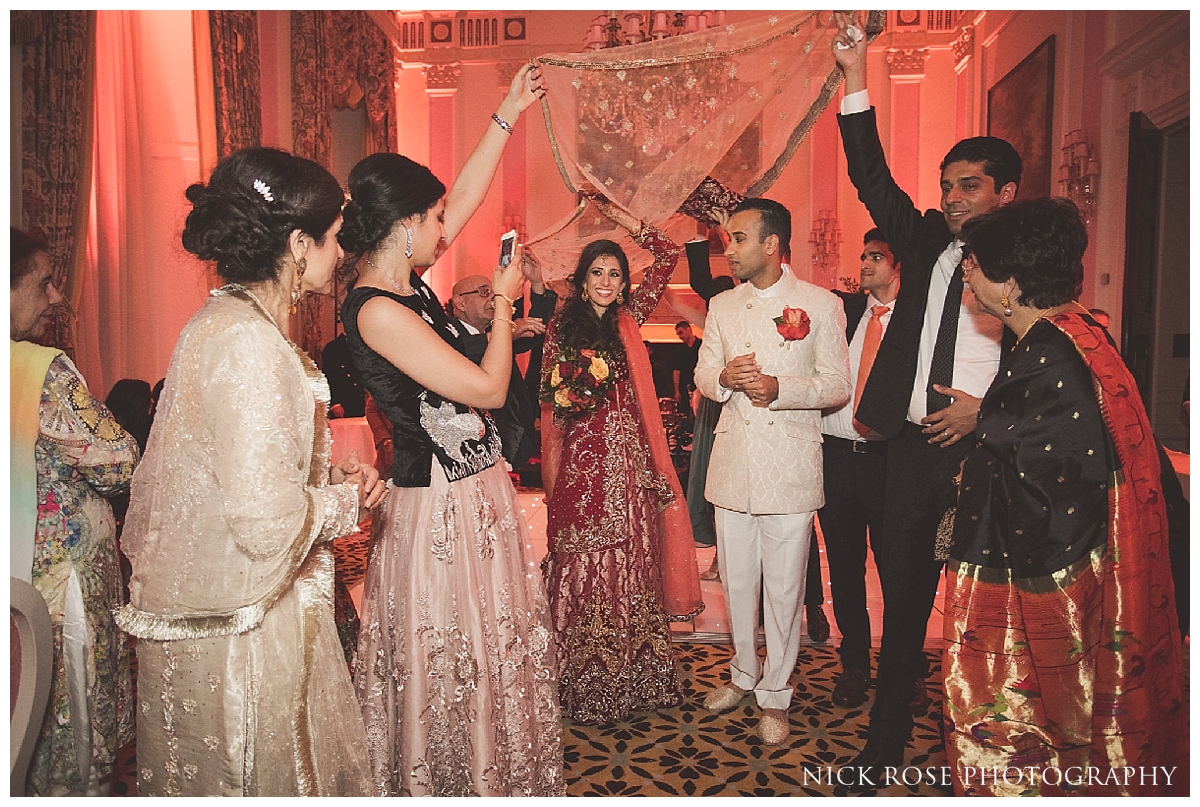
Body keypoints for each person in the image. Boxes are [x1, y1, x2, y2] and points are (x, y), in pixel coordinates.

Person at [115, 147, 386, 796]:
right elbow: (265, 525)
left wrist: (319, 482)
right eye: (330, 237)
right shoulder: (248, 342)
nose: (340, 251)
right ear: (297, 244)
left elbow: (242, 472)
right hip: (244, 630)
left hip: (230, 613)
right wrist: (346, 499)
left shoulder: (224, 320)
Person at [340, 61, 564, 798]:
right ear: (405, 226)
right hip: (434, 505)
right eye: (435, 221)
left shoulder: (407, 280)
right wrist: (503, 302)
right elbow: (490, 386)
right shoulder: (377, 309)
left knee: (486, 646)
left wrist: (508, 110)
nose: (448, 228)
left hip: (472, 489)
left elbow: (461, 193)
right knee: (452, 650)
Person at [944, 197, 1188, 795]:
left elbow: (1050, 475)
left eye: (974, 265)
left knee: (1035, 717)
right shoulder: (1076, 329)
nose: (966, 276)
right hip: (1110, 555)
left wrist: (983, 448)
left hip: (1059, 574)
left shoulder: (1049, 353)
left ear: (1011, 284)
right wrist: (994, 418)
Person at [832, 12, 1020, 780]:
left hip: (991, 457)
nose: (952, 197)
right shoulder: (926, 244)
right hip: (910, 455)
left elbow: (1052, 372)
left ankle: (993, 746)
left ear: (1006, 192)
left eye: (968, 186)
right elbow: (870, 173)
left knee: (988, 611)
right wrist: (853, 76)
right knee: (903, 604)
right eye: (946, 186)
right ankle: (883, 747)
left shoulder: (1031, 268)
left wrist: (988, 412)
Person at [539, 195, 704, 726]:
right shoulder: (563, 326)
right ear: (582, 280)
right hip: (585, 464)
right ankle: (585, 680)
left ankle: (637, 676)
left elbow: (666, 250)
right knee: (586, 563)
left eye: (615, 273)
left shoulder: (630, 318)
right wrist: (574, 395)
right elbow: (551, 399)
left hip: (631, 461)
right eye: (598, 272)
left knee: (633, 559)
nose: (607, 281)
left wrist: (618, 212)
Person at [694, 198, 851, 745]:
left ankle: (776, 694)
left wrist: (783, 390)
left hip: (790, 468)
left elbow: (837, 385)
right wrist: (724, 377)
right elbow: (702, 373)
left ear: (771, 244)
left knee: (785, 590)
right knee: (737, 585)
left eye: (737, 238)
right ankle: (741, 673)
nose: (727, 249)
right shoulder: (723, 306)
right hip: (733, 465)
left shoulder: (820, 304)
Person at [11, 227, 139, 796]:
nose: (57, 297)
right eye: (44, 283)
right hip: (53, 593)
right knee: (69, 735)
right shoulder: (40, 372)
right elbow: (117, 461)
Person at [818, 228, 900, 710]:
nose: (865, 264)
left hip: (890, 463)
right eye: (863, 254)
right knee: (845, 568)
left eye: (877, 255)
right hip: (837, 460)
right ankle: (853, 665)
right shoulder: (845, 313)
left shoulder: (914, 324)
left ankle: (900, 668)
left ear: (899, 266)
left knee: (896, 571)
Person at [447, 251, 557, 470]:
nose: (492, 300)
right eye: (483, 293)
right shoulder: (446, 333)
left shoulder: (499, 330)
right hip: (465, 448)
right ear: (460, 302)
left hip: (505, 438)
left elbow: (536, 330)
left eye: (494, 293)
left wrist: (536, 282)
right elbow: (464, 351)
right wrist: (505, 332)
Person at [683, 227, 736, 579]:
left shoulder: (719, 316)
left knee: (724, 481)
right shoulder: (713, 317)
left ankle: (727, 559)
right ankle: (722, 558)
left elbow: (692, 289)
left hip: (728, 407)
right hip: (713, 406)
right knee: (712, 481)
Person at [322, 331, 366, 417]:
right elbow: (329, 377)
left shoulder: (365, 345)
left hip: (365, 403)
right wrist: (335, 403)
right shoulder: (333, 348)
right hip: (345, 403)